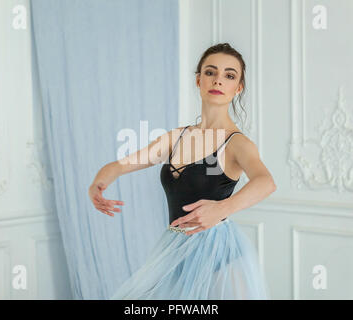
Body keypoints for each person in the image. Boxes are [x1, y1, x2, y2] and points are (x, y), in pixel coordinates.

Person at [88, 43, 276, 299]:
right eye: (211, 72)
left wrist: (222, 209)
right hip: (175, 248)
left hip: (218, 254)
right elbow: (122, 165)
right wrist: (98, 183)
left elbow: (266, 182)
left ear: (238, 88)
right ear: (199, 80)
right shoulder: (176, 138)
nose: (218, 80)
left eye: (229, 75)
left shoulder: (236, 143)